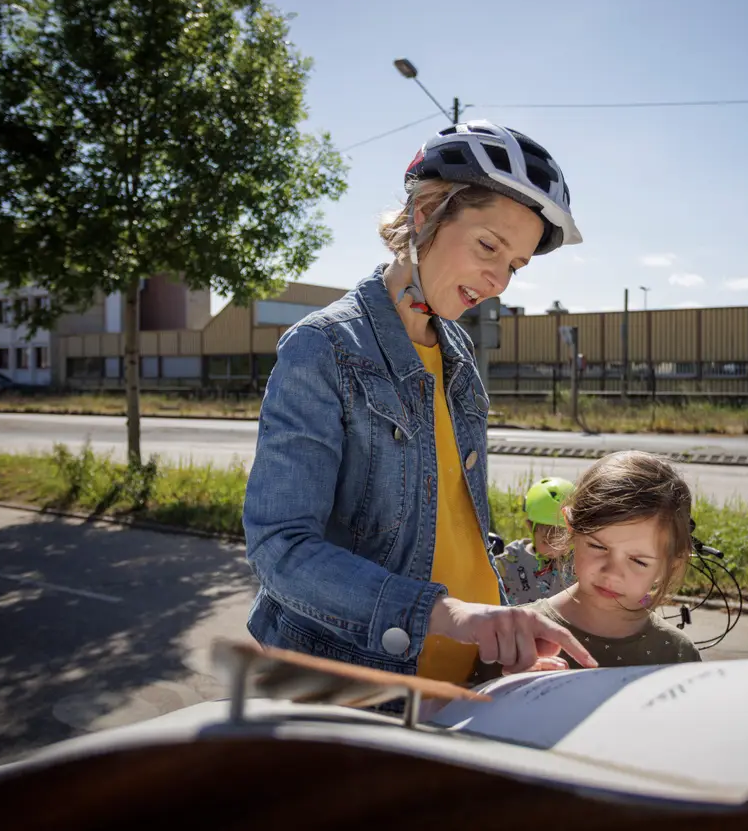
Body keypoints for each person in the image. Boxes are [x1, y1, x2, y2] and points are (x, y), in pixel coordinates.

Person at [241, 120, 597, 683]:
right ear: (426, 213)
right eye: (489, 246)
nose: (499, 280)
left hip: (471, 677)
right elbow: (279, 549)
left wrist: (514, 604)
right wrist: (447, 612)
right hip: (360, 684)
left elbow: (449, 521)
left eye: (515, 265)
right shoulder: (325, 347)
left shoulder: (454, 348)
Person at [472, 450, 702, 683]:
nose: (612, 572)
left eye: (638, 561)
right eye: (598, 547)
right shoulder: (513, 638)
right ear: (570, 528)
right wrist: (509, 687)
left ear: (670, 564)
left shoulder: (677, 654)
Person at [492, 476, 577, 606]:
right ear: (530, 526)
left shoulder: (578, 561)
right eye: (547, 542)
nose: (555, 550)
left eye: (562, 541)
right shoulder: (512, 560)